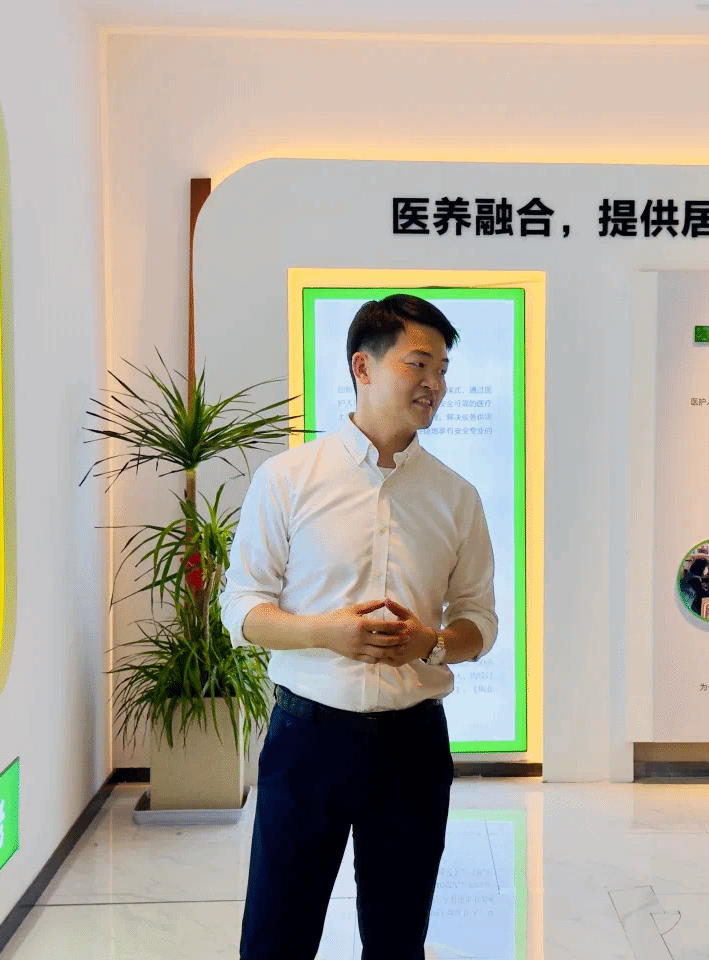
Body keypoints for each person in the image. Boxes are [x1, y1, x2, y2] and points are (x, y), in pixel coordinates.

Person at [220, 294, 497, 960]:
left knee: (398, 942)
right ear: (362, 367)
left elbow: (479, 623)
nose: (435, 384)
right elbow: (243, 609)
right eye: (418, 364)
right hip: (307, 738)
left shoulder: (456, 496)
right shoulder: (289, 479)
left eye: (443, 369)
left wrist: (431, 643)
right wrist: (325, 632)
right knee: (275, 940)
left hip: (413, 746)